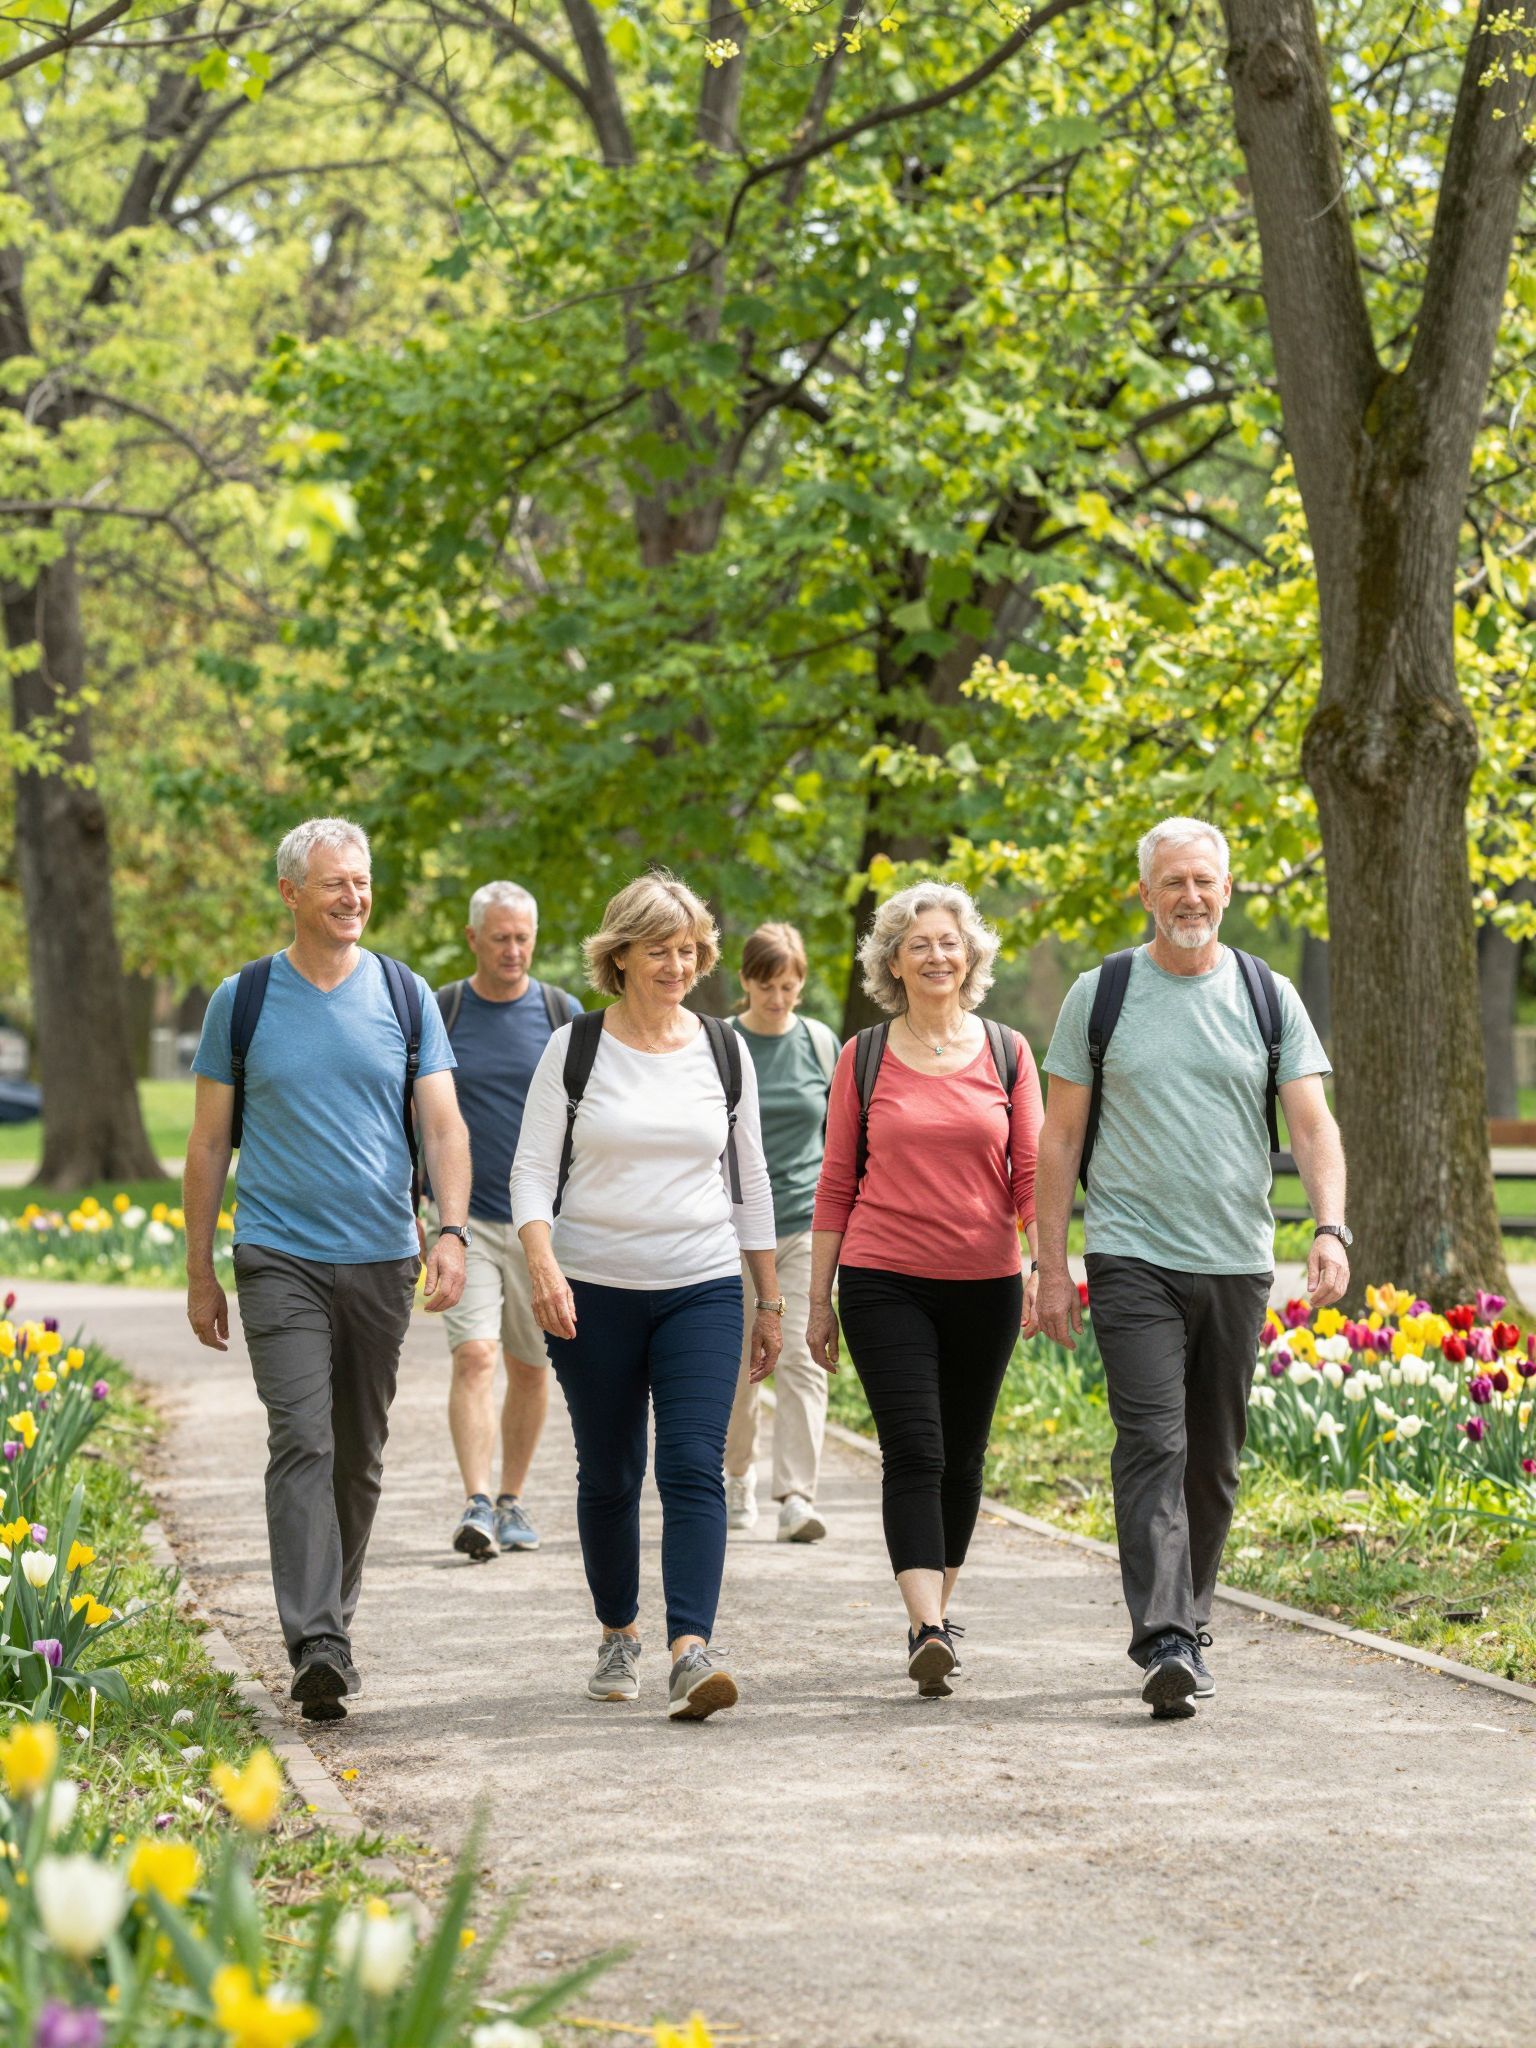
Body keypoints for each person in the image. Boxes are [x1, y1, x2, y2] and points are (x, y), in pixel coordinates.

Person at [1035, 815, 1348, 1720]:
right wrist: (1050, 1266)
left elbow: (1313, 1124)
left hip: (1237, 1258)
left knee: (1211, 1460)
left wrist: (1330, 1228)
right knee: (1154, 1442)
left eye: (1204, 881)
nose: (1190, 897)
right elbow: (1057, 1138)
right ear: (1146, 893)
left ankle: (1190, 1624)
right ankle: (1164, 1637)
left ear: (1227, 889)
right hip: (1132, 1252)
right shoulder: (1103, 993)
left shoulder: (1265, 993)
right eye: (1173, 882)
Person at [183, 817, 469, 1722]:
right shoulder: (246, 998)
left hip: (383, 1255)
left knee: (360, 1453)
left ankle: (329, 1630)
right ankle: (315, 1639)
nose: (354, 896)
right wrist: (200, 1269)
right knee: (301, 1440)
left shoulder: (403, 992)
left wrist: (451, 1230)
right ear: (291, 894)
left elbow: (445, 1127)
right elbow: (206, 1141)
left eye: (364, 881)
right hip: (278, 1255)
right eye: (336, 883)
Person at [510, 872, 782, 1721]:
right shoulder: (576, 1048)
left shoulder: (723, 1049)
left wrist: (768, 1299)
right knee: (612, 1471)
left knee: (694, 1462)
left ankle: (690, 1650)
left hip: (701, 1285)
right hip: (592, 1289)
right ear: (619, 954)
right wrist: (544, 1266)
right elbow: (527, 1171)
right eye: (658, 950)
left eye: (690, 949)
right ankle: (619, 1632)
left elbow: (752, 1183)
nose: (677, 964)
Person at [808, 882, 1043, 1700]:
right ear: (894, 963)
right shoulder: (863, 1056)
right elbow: (836, 1181)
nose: (937, 955)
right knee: (916, 1449)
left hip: (986, 1281)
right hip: (883, 1278)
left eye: (950, 942)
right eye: (919, 944)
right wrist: (814, 1300)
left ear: (970, 955)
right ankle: (929, 1626)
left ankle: (933, 1617)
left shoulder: (1009, 1053)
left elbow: (1033, 1176)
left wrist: (1046, 1269)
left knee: (965, 1458)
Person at [428, 881, 583, 1562]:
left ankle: (513, 1499)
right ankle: (476, 1500)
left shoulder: (560, 1013)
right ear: (473, 939)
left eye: (523, 937)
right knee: (475, 1354)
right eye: (500, 937)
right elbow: (420, 1118)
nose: (514, 949)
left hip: (540, 1226)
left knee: (529, 1365)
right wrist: (426, 1216)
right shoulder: (444, 1011)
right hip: (467, 1220)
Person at [723, 923, 840, 1543]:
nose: (779, 999)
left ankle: (796, 1494)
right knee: (744, 1361)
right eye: (768, 986)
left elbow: (845, 1135)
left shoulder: (821, 1044)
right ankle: (737, 1476)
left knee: (801, 1357)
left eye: (790, 987)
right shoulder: (721, 1043)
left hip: (805, 1224)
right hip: (734, 1228)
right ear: (745, 981)